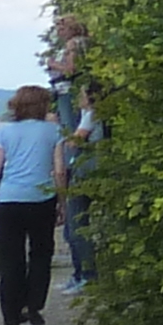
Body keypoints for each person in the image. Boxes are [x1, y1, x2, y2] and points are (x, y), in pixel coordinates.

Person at [0, 86, 65, 325]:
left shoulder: (4, 133)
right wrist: (63, 201)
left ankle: (11, 318)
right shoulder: (54, 132)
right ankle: (34, 303)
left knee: (11, 259)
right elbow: (59, 170)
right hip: (42, 199)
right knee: (41, 254)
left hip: (9, 201)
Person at [52, 58, 103, 295]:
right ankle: (80, 273)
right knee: (74, 226)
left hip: (86, 170)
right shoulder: (91, 114)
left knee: (76, 224)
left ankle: (86, 275)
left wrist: (60, 138)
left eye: (81, 93)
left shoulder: (91, 115)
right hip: (87, 168)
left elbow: (76, 140)